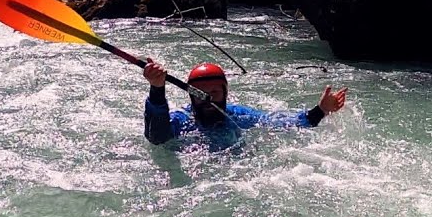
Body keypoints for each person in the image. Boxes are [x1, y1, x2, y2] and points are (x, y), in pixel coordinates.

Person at [142, 59, 348, 149]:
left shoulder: (238, 116)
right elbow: (157, 139)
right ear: (192, 96)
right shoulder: (183, 121)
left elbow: (285, 122)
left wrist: (320, 110)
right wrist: (157, 88)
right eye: (202, 94)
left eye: (214, 92)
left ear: (225, 93)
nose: (209, 99)